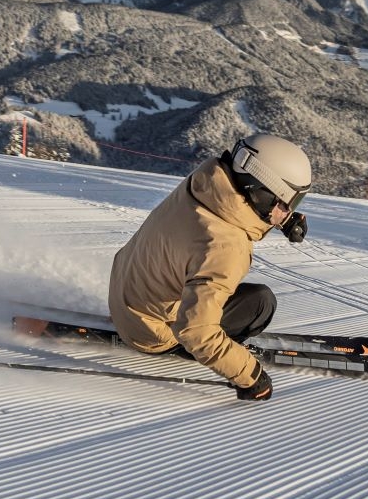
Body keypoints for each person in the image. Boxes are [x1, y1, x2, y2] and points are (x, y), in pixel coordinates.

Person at [109, 133, 312, 401]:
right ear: (264, 194)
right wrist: (250, 375)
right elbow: (195, 330)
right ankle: (210, 351)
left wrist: (279, 219)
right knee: (261, 303)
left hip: (125, 290)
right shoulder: (226, 247)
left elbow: (239, 200)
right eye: (288, 204)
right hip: (154, 333)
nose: (288, 212)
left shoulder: (203, 184)